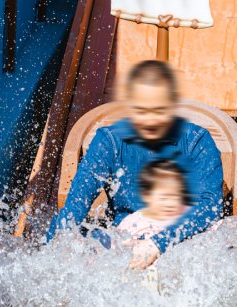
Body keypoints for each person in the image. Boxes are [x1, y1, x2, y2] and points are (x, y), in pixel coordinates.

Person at [47, 60, 224, 269]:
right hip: (126, 236)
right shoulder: (110, 142)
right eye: (141, 111)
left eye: (159, 111)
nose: (149, 121)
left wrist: (158, 243)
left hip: (182, 236)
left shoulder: (196, 141)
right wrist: (63, 242)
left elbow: (210, 207)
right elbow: (78, 200)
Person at [119, 159, 188, 240]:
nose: (170, 203)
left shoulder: (181, 220)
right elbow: (118, 247)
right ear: (148, 197)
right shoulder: (132, 223)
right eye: (163, 198)